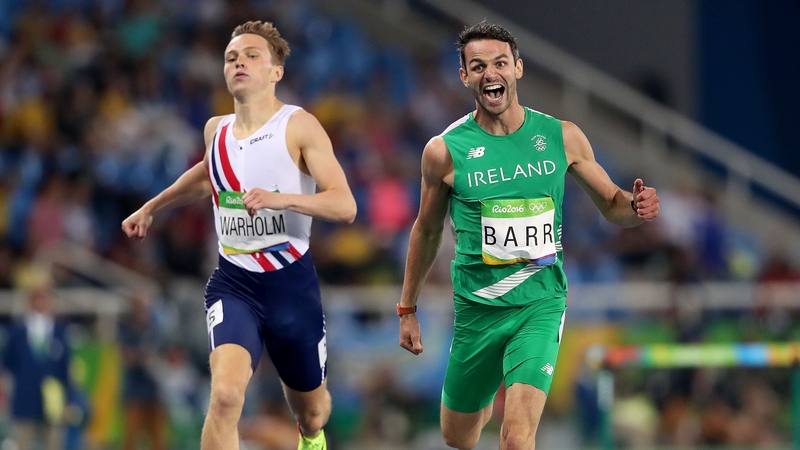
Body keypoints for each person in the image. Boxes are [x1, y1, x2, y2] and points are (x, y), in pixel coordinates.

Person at [397, 22, 660, 450]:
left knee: (517, 438)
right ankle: (480, 401)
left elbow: (613, 204)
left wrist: (636, 208)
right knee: (457, 436)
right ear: (464, 76)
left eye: (500, 63)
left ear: (517, 68)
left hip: (539, 303)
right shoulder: (444, 151)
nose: (490, 73)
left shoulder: (562, 136)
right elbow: (426, 230)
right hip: (477, 310)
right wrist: (407, 307)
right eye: (477, 66)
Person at [122, 20, 356, 450]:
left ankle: (312, 439)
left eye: (252, 55)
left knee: (312, 413)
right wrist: (151, 207)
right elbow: (204, 176)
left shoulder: (298, 126)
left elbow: (345, 205)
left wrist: (281, 199)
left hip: (291, 287)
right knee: (226, 397)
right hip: (235, 283)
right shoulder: (217, 130)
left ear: (275, 72)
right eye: (231, 57)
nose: (239, 62)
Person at [1, 280, 72, 450]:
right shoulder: (17, 332)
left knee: (53, 441)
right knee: (22, 440)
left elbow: (65, 368)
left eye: (44, 298)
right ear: (30, 301)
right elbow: (8, 362)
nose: (41, 302)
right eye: (36, 298)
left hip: (53, 398)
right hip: (24, 394)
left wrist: (67, 398)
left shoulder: (60, 332)